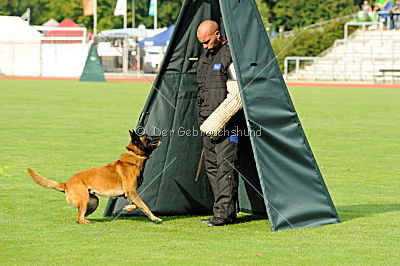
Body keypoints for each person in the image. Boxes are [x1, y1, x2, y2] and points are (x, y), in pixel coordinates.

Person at [196, 20, 243, 227]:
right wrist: (206, 122)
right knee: (212, 168)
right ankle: (222, 212)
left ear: (217, 34)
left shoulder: (230, 55)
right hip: (207, 123)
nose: (205, 46)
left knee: (226, 169)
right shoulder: (205, 56)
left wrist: (216, 122)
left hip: (228, 125)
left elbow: (237, 97)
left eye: (207, 41)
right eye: (202, 43)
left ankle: (224, 215)